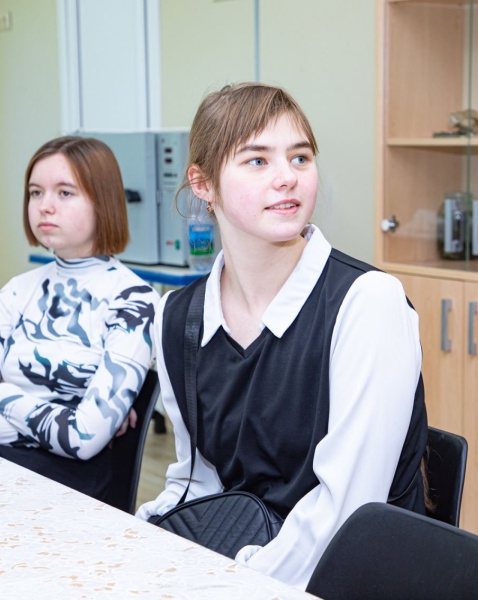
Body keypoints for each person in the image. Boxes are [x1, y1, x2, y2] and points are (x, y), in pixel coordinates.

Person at [136, 83, 428, 588]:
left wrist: (233, 583)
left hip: (353, 577)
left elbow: (348, 514)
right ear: (202, 183)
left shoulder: (367, 303)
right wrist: (138, 545)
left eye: (300, 157)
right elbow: (197, 485)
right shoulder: (178, 318)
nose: (287, 177)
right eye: (257, 160)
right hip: (245, 568)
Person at [0, 136, 159, 501]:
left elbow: (82, 440)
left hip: (69, 497)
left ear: (103, 201)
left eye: (65, 193)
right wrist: (57, 426)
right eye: (35, 193)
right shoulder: (17, 289)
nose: (44, 207)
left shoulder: (134, 300)